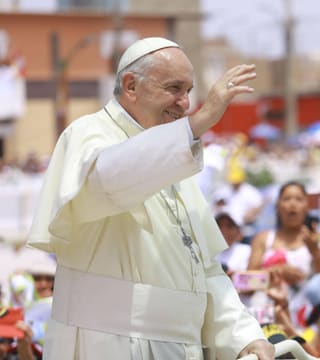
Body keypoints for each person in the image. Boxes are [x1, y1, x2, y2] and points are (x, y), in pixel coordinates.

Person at [26, 37, 273, 360]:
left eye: (189, 91)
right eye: (174, 89)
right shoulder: (88, 133)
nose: (185, 103)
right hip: (109, 346)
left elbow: (204, 271)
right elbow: (108, 179)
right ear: (131, 85)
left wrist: (244, 336)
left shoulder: (176, 158)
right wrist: (196, 124)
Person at [248, 181, 320, 286]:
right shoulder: (263, 239)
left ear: (307, 206)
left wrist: (315, 252)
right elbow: (246, 284)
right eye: (286, 199)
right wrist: (274, 272)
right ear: (278, 206)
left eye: (299, 199)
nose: (292, 204)